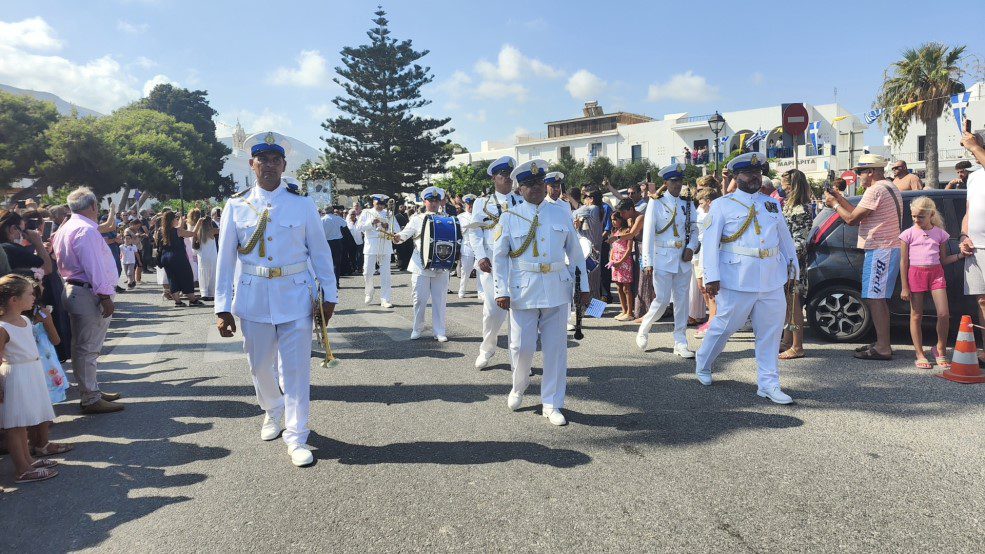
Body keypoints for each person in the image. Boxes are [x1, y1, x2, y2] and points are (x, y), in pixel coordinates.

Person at [215, 131, 337, 468]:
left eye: (275, 160)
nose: (269, 165)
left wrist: (330, 296)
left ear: (284, 165)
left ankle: (296, 436)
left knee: (296, 371)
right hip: (253, 297)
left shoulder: (303, 204)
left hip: (296, 297)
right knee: (259, 367)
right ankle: (272, 408)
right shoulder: (235, 205)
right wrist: (222, 307)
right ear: (251, 164)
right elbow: (225, 260)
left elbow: (321, 253)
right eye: (262, 159)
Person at [695, 152, 799, 404]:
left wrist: (793, 265)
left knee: (770, 333)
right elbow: (710, 243)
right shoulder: (722, 204)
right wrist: (711, 276)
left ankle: (768, 384)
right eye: (748, 173)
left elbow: (784, 237)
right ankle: (703, 362)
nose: (754, 177)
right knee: (724, 327)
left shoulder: (771, 204)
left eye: (757, 173)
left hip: (771, 278)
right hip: (737, 278)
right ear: (736, 176)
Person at [493, 159, 589, 426]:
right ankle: (519, 385)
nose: (535, 188)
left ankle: (552, 402)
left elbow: (575, 253)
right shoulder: (509, 217)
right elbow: (499, 257)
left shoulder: (561, 213)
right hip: (522, 290)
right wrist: (501, 290)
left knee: (556, 349)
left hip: (557, 287)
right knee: (521, 347)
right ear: (520, 189)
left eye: (538, 183)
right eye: (529, 184)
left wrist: (583, 287)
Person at [51, 187, 123, 414]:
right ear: (93, 206)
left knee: (82, 347)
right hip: (87, 292)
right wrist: (105, 296)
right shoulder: (85, 229)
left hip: (76, 289)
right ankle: (90, 397)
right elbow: (94, 266)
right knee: (88, 348)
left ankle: (91, 390)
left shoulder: (67, 226)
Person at [824, 154, 902, 361]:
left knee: (875, 298)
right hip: (885, 248)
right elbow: (858, 215)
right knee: (876, 298)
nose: (858, 176)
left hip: (881, 248)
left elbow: (851, 219)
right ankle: (882, 342)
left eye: (860, 172)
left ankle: (883, 347)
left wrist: (834, 204)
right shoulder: (888, 186)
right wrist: (839, 198)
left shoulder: (875, 189)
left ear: (871, 171)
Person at [0, 274, 71, 484]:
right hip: (15, 375)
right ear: (14, 299)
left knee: (23, 423)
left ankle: (29, 460)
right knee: (14, 425)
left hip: (31, 372)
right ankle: (22, 469)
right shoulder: (3, 327)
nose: (34, 297)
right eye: (30, 294)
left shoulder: (24, 320)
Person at [635, 164, 699, 358]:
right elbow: (648, 233)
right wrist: (647, 261)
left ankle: (680, 342)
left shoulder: (687, 203)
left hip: (683, 259)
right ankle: (644, 327)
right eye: (673, 181)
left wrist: (691, 247)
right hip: (662, 258)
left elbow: (695, 229)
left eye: (680, 181)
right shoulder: (656, 202)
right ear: (666, 183)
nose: (677, 184)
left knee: (682, 302)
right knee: (662, 300)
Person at [900, 197, 967, 369]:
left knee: (943, 313)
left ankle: (940, 349)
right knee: (916, 315)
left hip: (936, 274)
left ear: (931, 214)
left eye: (920, 216)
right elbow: (903, 262)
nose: (916, 220)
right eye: (914, 216)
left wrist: (960, 256)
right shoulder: (908, 234)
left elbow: (943, 260)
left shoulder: (940, 234)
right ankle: (919, 353)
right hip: (915, 274)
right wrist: (904, 286)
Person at [469, 156, 523, 369]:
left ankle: (516, 358)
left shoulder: (521, 201)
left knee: (518, 311)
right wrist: (480, 256)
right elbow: (475, 232)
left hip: (516, 263)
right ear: (494, 178)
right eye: (503, 175)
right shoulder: (482, 203)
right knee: (492, 310)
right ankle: (487, 348)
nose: (507, 179)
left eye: (510, 175)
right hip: (491, 264)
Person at [392, 186, 451, 341]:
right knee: (419, 299)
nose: (434, 203)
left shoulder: (447, 219)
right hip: (420, 264)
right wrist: (398, 237)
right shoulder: (417, 219)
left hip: (440, 264)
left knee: (440, 300)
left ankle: (439, 331)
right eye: (430, 200)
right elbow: (405, 234)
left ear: (440, 202)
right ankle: (417, 328)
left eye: (436, 200)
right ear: (425, 201)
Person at [778, 169, 813, 360]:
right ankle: (787, 340)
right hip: (788, 261)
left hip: (793, 264)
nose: (781, 187)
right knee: (788, 305)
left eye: (784, 184)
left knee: (794, 305)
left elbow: (800, 241)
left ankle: (797, 346)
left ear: (791, 185)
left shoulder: (801, 209)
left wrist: (786, 258)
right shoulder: (791, 206)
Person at [958, 130, 985, 365]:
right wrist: (964, 235)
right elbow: (968, 212)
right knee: (982, 301)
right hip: (976, 248)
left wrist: (975, 146)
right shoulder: (974, 177)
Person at [357, 195, 400, 308]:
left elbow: (397, 229)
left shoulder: (388, 213)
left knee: (386, 273)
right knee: (367, 271)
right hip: (371, 245)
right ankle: (369, 292)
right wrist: (371, 222)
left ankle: (385, 299)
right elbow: (358, 227)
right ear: (373, 202)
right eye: (378, 204)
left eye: (382, 204)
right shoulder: (366, 212)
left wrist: (388, 226)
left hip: (385, 244)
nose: (380, 206)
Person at [156, 210, 203, 307]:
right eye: (176, 219)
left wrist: (182, 219)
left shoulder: (160, 231)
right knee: (186, 277)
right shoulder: (177, 231)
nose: (177, 220)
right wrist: (199, 223)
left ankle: (178, 302)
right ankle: (192, 300)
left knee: (172, 279)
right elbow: (193, 233)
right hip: (178, 257)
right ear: (172, 220)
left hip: (165, 258)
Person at [693, 186, 721, 339]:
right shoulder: (700, 212)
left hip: (709, 253)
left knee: (711, 290)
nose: (700, 205)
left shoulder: (715, 215)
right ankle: (711, 318)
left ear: (709, 202)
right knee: (702, 287)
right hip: (699, 253)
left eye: (702, 202)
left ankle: (712, 322)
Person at [0, 210, 53, 277]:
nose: (23, 235)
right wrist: (38, 243)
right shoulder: (13, 249)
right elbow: (46, 269)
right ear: (13, 229)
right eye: (22, 230)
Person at [606, 211, 634, 320]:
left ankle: (629, 313)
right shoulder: (614, 231)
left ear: (621, 219)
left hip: (624, 262)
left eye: (615, 219)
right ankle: (623, 310)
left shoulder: (628, 231)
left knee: (627, 288)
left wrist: (621, 262)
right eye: (612, 220)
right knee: (618, 287)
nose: (613, 222)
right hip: (615, 262)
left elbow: (629, 249)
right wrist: (611, 259)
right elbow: (613, 248)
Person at [456, 194, 477, 298]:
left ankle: (481, 291)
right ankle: (462, 290)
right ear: (465, 205)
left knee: (480, 271)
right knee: (465, 270)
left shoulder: (480, 216)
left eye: (472, 205)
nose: (470, 207)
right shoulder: (460, 217)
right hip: (466, 245)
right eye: (469, 205)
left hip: (478, 245)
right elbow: (457, 233)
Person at [321, 206, 347, 288]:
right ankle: (336, 282)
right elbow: (345, 224)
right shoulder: (337, 218)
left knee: (326, 263)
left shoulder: (322, 219)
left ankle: (327, 283)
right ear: (332, 211)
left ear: (325, 211)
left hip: (326, 242)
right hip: (337, 242)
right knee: (336, 263)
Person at [195, 214, 219, 301]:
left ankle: (204, 293)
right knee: (212, 274)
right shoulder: (213, 231)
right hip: (212, 256)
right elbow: (223, 230)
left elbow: (193, 235)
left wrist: (198, 224)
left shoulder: (198, 232)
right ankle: (211, 293)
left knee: (203, 274)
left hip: (202, 256)